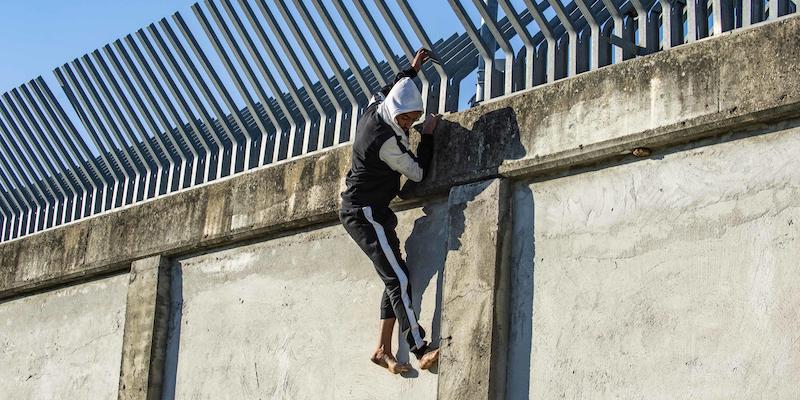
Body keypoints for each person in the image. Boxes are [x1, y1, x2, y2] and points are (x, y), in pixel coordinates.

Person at [339, 49, 440, 374]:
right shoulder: (384, 142)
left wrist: (411, 71)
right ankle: (420, 348)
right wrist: (426, 137)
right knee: (398, 278)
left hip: (372, 210)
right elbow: (417, 173)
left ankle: (382, 348)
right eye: (406, 118)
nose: (408, 123)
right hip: (363, 213)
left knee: (393, 275)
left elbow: (389, 87)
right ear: (396, 112)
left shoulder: (377, 109)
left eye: (413, 118)